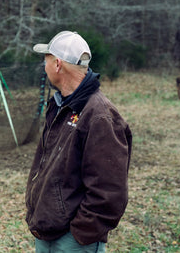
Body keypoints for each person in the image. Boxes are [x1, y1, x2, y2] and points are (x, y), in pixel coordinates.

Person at [25, 31, 132, 253]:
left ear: (57, 64)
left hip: (72, 242)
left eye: (45, 59)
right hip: (48, 232)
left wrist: (79, 236)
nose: (43, 66)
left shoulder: (100, 116)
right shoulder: (60, 105)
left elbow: (110, 193)